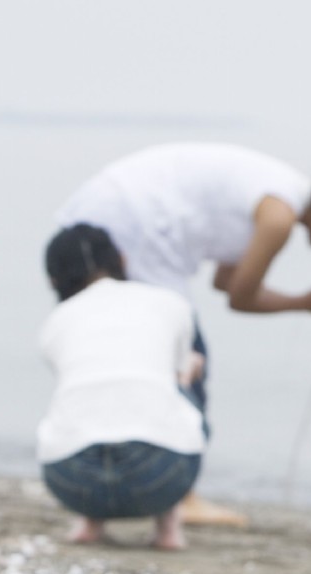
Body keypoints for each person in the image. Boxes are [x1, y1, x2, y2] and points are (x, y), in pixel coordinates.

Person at [48, 144, 311, 525]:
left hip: (109, 217)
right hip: (135, 229)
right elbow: (241, 298)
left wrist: (307, 303)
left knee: (125, 352)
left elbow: (227, 283)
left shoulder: (275, 195)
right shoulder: (278, 215)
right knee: (185, 359)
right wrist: (308, 302)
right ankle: (179, 493)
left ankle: (109, 472)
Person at [37, 224, 206, 551]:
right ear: (122, 259)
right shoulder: (171, 302)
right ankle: (168, 526)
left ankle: (89, 521)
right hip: (160, 478)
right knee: (179, 382)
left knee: (84, 393)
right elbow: (181, 372)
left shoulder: (54, 323)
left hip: (70, 481)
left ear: (54, 280)